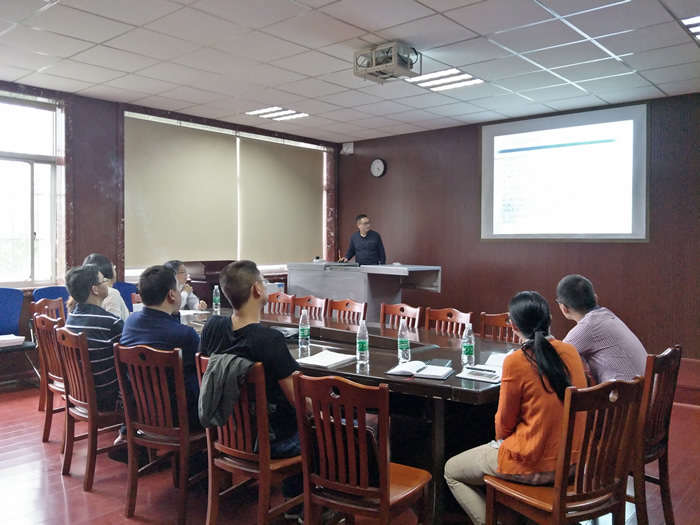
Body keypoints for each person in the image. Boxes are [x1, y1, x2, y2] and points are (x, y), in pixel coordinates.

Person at [444, 291, 587, 525]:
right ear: (550, 318)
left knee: (451, 471)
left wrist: (501, 441)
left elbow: (503, 425)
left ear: (513, 326)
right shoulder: (570, 352)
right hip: (573, 462)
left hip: (534, 463)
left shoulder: (516, 361)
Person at [199, 260, 303, 517]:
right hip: (270, 441)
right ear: (257, 289)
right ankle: (304, 505)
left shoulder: (212, 327)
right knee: (329, 428)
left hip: (227, 433)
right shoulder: (269, 339)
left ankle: (296, 500)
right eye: (264, 283)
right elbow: (300, 402)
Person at [119, 265, 202, 429]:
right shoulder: (185, 335)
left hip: (142, 412)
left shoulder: (130, 322)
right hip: (180, 418)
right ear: (172, 295)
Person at [556, 274, 647, 384]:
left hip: (625, 393)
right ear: (595, 298)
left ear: (564, 308)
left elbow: (552, 359)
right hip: (646, 388)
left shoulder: (588, 327)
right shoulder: (607, 315)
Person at [64, 264, 124, 412]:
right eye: (103, 280)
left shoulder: (71, 319)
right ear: (95, 289)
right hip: (107, 397)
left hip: (79, 392)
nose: (107, 283)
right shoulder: (110, 322)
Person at [82, 253, 129, 321]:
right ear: (107, 269)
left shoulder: (85, 293)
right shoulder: (111, 293)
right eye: (113, 266)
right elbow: (114, 323)